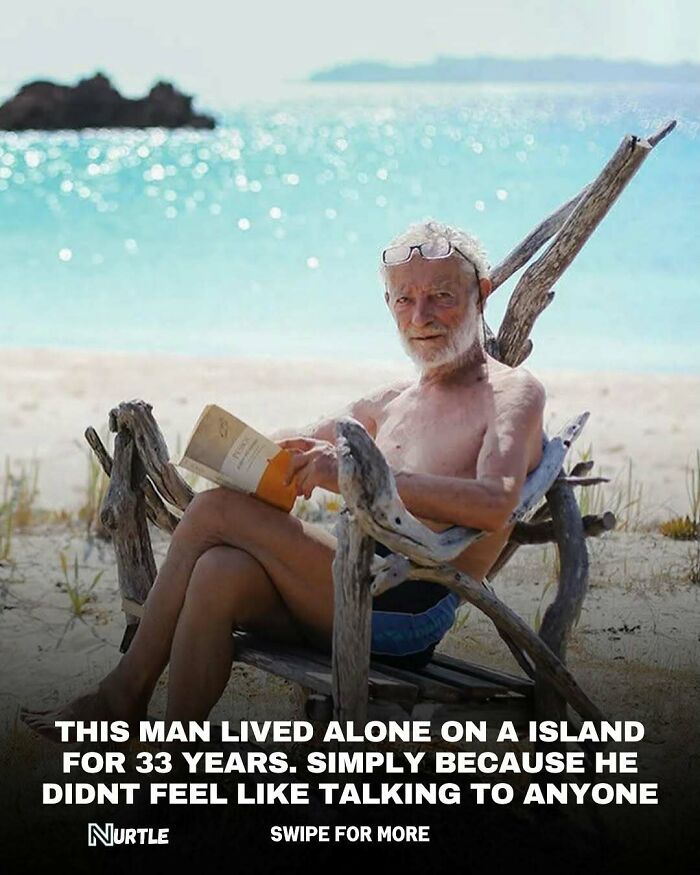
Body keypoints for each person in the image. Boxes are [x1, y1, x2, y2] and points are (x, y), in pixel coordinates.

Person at [21, 219, 545, 740]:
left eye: (441, 296)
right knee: (218, 573)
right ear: (388, 306)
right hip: (341, 587)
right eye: (404, 300)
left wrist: (357, 475)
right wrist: (264, 455)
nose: (421, 316)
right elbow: (300, 436)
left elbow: (496, 503)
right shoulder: (394, 400)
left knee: (215, 512)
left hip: (405, 607)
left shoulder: (508, 393)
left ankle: (119, 698)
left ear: (481, 293)